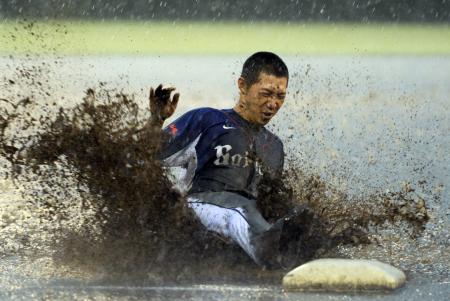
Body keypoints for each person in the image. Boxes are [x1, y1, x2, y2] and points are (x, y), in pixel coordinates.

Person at [148, 52, 311, 268]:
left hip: (248, 219)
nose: (273, 103)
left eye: (280, 96)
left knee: (300, 216)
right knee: (238, 211)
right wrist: (156, 120)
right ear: (243, 86)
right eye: (266, 93)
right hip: (201, 206)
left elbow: (270, 200)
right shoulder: (208, 120)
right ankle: (274, 259)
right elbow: (148, 155)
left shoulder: (274, 147)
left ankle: (300, 257)